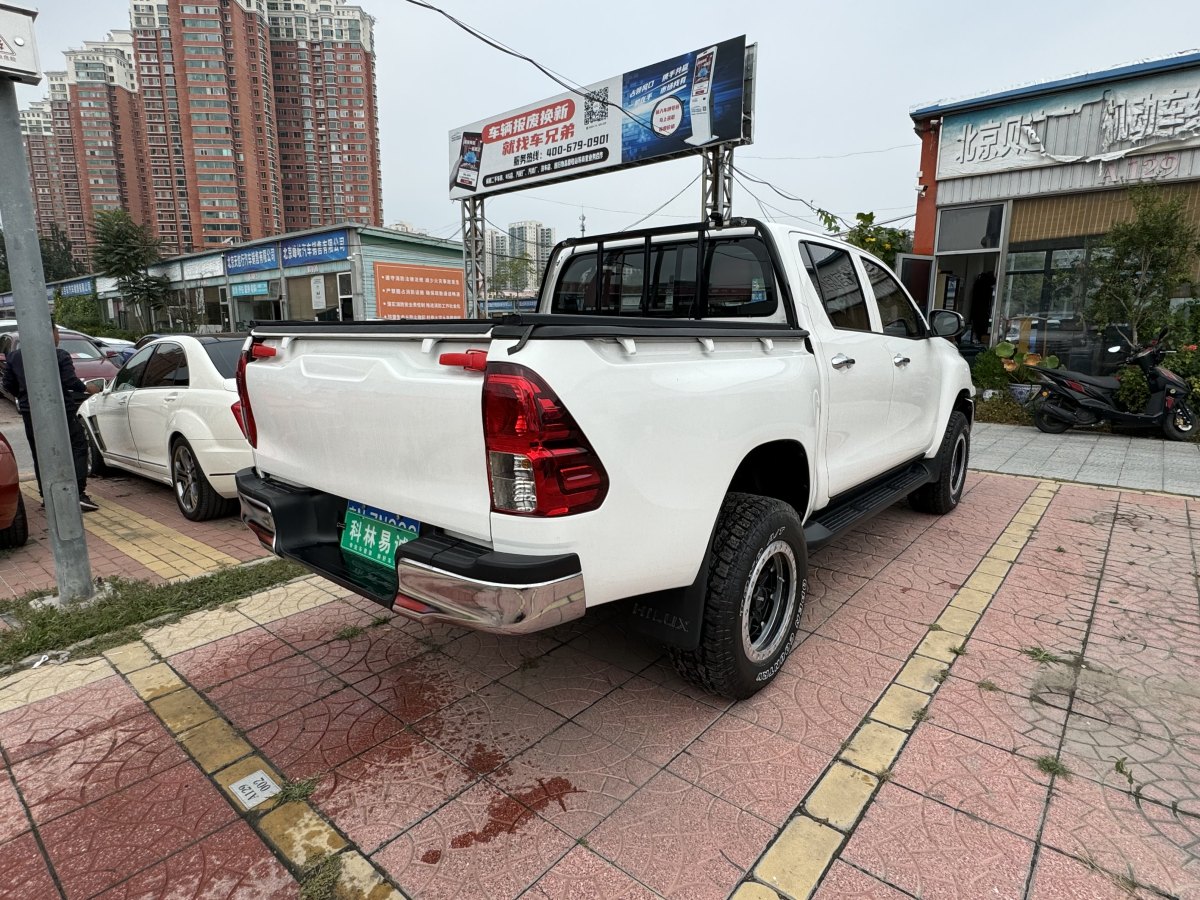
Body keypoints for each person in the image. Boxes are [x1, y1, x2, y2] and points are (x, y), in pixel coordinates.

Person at [1, 324, 102, 511]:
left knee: (40, 454)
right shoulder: (59, 355)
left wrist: (26, 397)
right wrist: (87, 388)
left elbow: (8, 385)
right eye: (57, 333)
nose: (58, 337)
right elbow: (70, 381)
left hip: (31, 413)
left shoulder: (14, 357)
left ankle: (48, 496)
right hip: (61, 410)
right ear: (50, 333)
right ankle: (78, 493)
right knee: (78, 446)